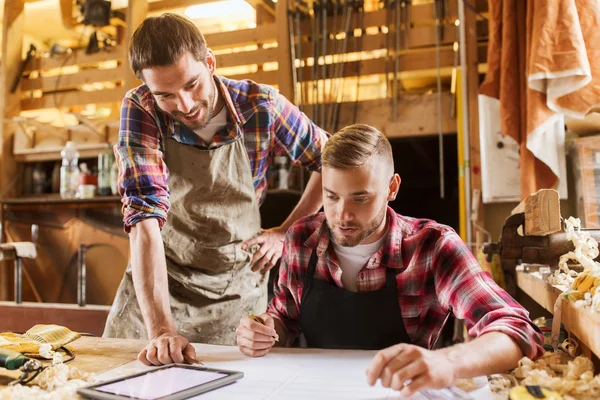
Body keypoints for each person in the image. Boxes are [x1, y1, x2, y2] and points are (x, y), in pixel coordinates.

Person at [236, 124, 544, 397]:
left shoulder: (433, 246)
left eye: (360, 198)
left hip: (401, 394)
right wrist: (264, 330)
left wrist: (447, 361)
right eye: (331, 197)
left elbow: (515, 328)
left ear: (392, 188)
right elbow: (285, 319)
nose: (342, 215)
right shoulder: (300, 239)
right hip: (315, 390)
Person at [103, 13, 329, 366]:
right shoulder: (141, 107)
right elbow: (144, 218)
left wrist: (285, 232)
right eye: (166, 95)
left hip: (235, 288)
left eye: (192, 85)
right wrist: (162, 331)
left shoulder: (261, 106)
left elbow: (329, 162)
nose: (185, 106)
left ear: (210, 62)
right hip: (166, 278)